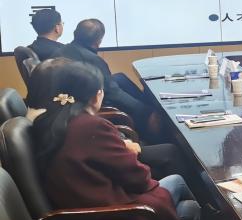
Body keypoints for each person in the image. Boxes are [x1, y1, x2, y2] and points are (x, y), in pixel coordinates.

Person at [31, 62, 217, 220]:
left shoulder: (47, 122)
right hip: (108, 219)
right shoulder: (89, 126)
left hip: (77, 218)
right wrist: (129, 152)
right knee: (183, 194)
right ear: (95, 95)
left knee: (187, 203)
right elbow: (138, 177)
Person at [26, 57, 187, 180]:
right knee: (172, 162)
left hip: (102, 174)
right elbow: (127, 170)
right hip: (115, 188)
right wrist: (124, 145)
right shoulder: (77, 123)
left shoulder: (44, 115)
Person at [56, 19, 161, 138]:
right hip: (87, 104)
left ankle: (148, 103)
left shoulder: (61, 51)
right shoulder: (92, 60)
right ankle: (152, 132)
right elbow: (113, 94)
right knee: (143, 111)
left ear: (75, 33)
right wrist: (144, 111)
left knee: (120, 78)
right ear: (98, 42)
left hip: (68, 99)